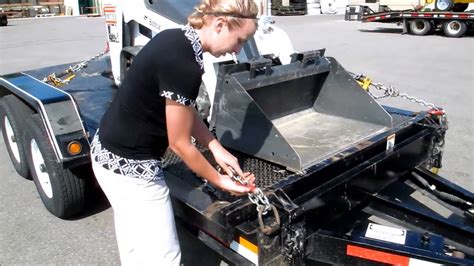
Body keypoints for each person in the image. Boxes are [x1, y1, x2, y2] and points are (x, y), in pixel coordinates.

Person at [90, 0, 259, 265]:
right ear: (220, 25)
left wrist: (215, 147)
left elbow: (184, 109)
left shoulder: (175, 38)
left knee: (136, 247)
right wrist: (221, 181)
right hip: (132, 170)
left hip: (108, 152)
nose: (237, 50)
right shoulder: (185, 63)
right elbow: (180, 144)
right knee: (163, 257)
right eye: (240, 40)